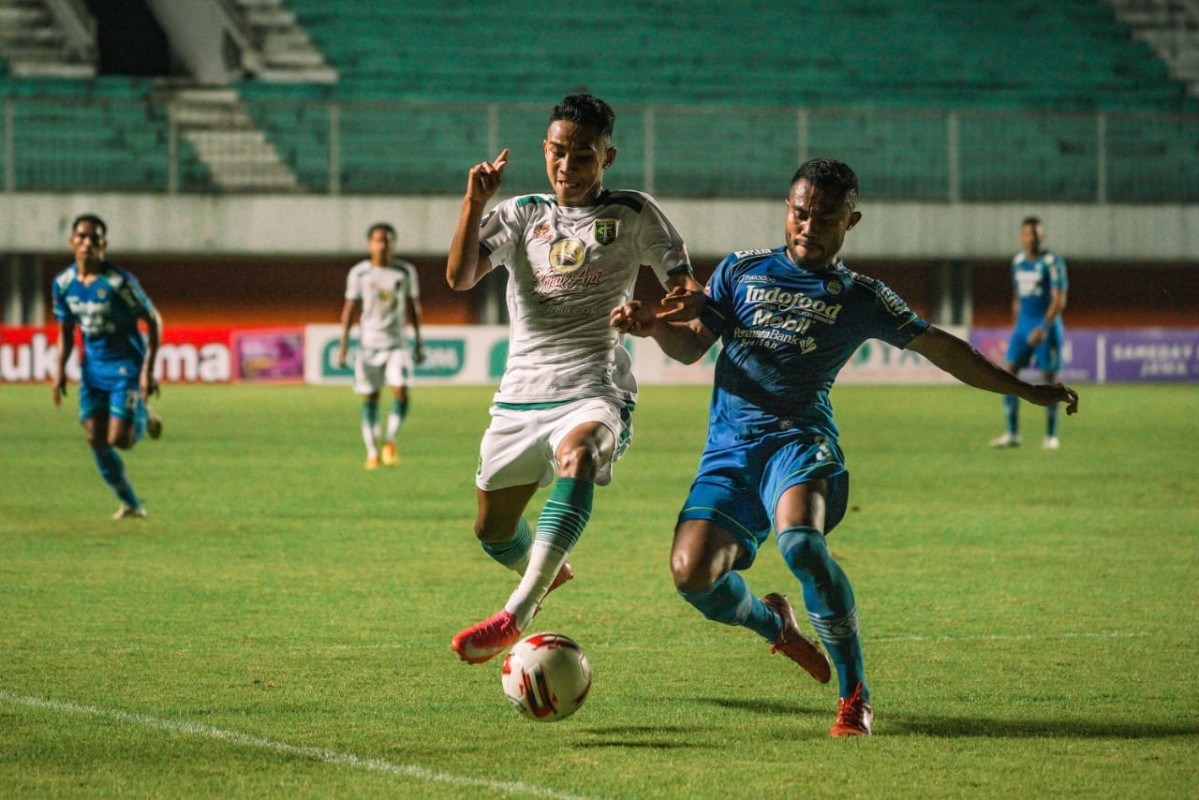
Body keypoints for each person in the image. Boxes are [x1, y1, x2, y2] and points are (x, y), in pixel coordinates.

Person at [612, 158, 1079, 737]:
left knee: (801, 543)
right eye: (798, 213)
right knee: (692, 576)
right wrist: (653, 325)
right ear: (787, 209)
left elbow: (942, 348)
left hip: (801, 444)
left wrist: (1024, 389)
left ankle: (853, 693)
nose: (807, 226)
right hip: (730, 453)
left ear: (850, 221)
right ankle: (776, 626)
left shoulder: (863, 296)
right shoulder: (741, 270)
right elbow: (688, 348)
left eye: (824, 217)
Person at [445, 94, 703, 665]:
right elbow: (461, 276)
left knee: (582, 452)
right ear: (545, 150)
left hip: (593, 390)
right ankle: (545, 570)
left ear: (606, 157)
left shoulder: (634, 214)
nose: (568, 166)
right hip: (519, 397)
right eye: (558, 153)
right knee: (492, 531)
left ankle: (517, 610)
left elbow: (689, 292)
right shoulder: (519, 213)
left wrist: (652, 317)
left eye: (583, 155)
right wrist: (473, 201)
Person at [52, 213, 164, 519]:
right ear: (72, 241)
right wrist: (60, 368)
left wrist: (148, 370)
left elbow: (153, 320)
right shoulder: (62, 284)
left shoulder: (119, 282)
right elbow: (65, 330)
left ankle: (143, 412)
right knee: (95, 438)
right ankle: (130, 503)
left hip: (125, 366)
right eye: (82, 237)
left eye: (94, 238)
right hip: (93, 370)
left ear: (104, 245)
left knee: (121, 440)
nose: (88, 243)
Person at [336, 223, 426, 469]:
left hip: (397, 344)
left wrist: (419, 342)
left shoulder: (405, 272)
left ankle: (389, 441)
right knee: (371, 397)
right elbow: (350, 309)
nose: (383, 245)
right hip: (368, 346)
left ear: (394, 244)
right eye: (378, 240)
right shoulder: (359, 274)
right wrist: (343, 345)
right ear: (370, 244)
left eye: (387, 240)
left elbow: (412, 307)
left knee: (401, 391)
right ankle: (372, 452)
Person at [991, 215, 1069, 450]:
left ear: (1042, 236)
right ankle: (1013, 433)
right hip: (1023, 326)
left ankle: (1051, 436)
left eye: (1035, 233)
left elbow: (1059, 300)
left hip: (1046, 327)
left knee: (1049, 380)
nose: (1032, 237)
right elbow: (1017, 296)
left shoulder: (1052, 262)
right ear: (1021, 237)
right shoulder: (1017, 262)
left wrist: (1044, 327)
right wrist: (1017, 323)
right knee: (1008, 375)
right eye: (1028, 233)